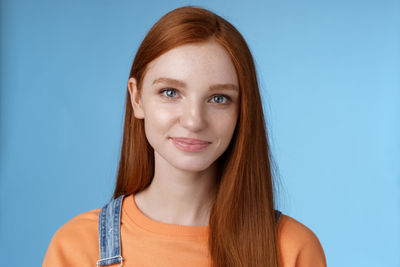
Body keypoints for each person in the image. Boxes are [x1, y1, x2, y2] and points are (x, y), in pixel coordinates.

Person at [43, 5, 326, 267]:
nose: (193, 121)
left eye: (218, 98)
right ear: (137, 98)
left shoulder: (292, 249)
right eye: (170, 93)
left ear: (243, 109)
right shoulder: (76, 247)